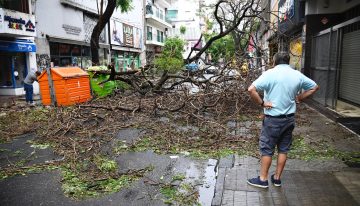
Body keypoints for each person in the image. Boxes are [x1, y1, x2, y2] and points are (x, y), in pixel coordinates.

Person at [246, 52, 319, 188]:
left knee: (267, 149)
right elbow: (315, 87)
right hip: (289, 119)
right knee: (283, 149)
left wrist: (262, 103)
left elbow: (251, 89)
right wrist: (300, 97)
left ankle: (262, 179)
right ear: (288, 61)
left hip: (272, 120)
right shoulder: (296, 74)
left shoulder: (270, 74)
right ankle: (277, 178)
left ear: (274, 61)